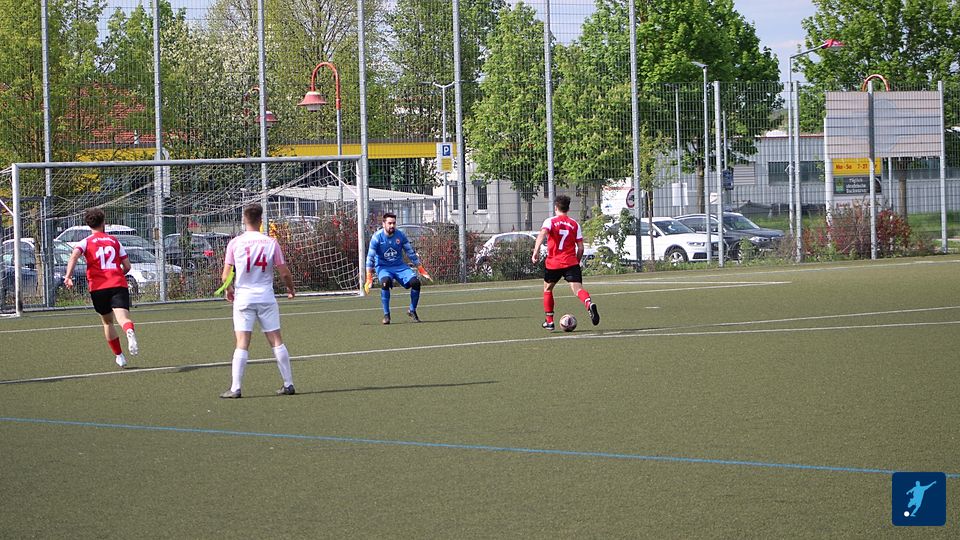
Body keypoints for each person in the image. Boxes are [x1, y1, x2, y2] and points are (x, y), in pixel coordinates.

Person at [219, 203, 297, 399]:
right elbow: (284, 272)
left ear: (244, 220)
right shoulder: (271, 243)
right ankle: (288, 383)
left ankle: (236, 388)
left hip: (244, 298)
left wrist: (228, 289)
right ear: (261, 221)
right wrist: (290, 288)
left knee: (242, 342)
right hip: (266, 297)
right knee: (276, 340)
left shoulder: (235, 243)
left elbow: (225, 275)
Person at [63, 208, 139, 368]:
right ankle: (129, 331)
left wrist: (68, 276)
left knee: (107, 322)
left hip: (98, 287)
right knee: (123, 319)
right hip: (118, 284)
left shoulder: (85, 242)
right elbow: (127, 266)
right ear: (103, 222)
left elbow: (74, 255)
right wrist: (117, 274)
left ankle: (119, 356)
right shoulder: (114, 241)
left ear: (88, 224)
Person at [531, 195, 600, 330]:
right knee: (578, 290)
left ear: (556, 208)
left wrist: (536, 251)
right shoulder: (574, 224)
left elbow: (542, 234)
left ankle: (549, 321)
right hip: (571, 262)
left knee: (547, 289)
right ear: (568, 209)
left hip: (553, 263)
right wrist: (576, 262)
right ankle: (588, 304)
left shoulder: (550, 221)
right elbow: (581, 248)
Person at [364, 212, 432, 324]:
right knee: (385, 282)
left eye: (394, 223)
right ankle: (386, 315)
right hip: (383, 267)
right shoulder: (376, 237)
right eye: (389, 223)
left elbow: (410, 252)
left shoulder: (400, 235)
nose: (392, 226)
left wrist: (420, 269)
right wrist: (368, 278)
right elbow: (370, 257)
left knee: (416, 283)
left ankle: (412, 310)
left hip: (400, 266)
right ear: (383, 224)